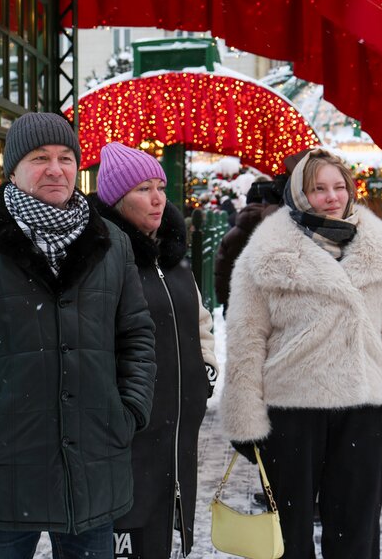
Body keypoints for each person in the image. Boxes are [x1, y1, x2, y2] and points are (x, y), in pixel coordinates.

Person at [0, 112, 157, 559]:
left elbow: (137, 335)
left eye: (66, 157)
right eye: (40, 157)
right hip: (5, 468)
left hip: (94, 462)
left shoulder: (111, 243)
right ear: (13, 170)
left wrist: (130, 411)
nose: (56, 168)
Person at [221, 148, 382, 558]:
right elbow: (246, 339)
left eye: (339, 186)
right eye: (319, 188)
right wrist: (243, 417)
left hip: (362, 409)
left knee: (356, 538)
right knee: (288, 540)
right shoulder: (263, 255)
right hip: (291, 412)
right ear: (299, 195)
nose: (332, 197)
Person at [91, 143, 219, 558]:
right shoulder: (102, 257)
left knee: (169, 534)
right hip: (130, 438)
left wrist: (206, 371)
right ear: (115, 199)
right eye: (143, 188)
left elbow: (199, 319)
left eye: (160, 186)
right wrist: (122, 408)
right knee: (131, 537)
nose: (158, 197)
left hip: (179, 431)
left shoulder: (173, 256)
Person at [214, 175, 286, 316]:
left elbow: (223, 272)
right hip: (273, 308)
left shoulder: (232, 236)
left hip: (240, 305)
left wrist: (226, 302)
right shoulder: (283, 230)